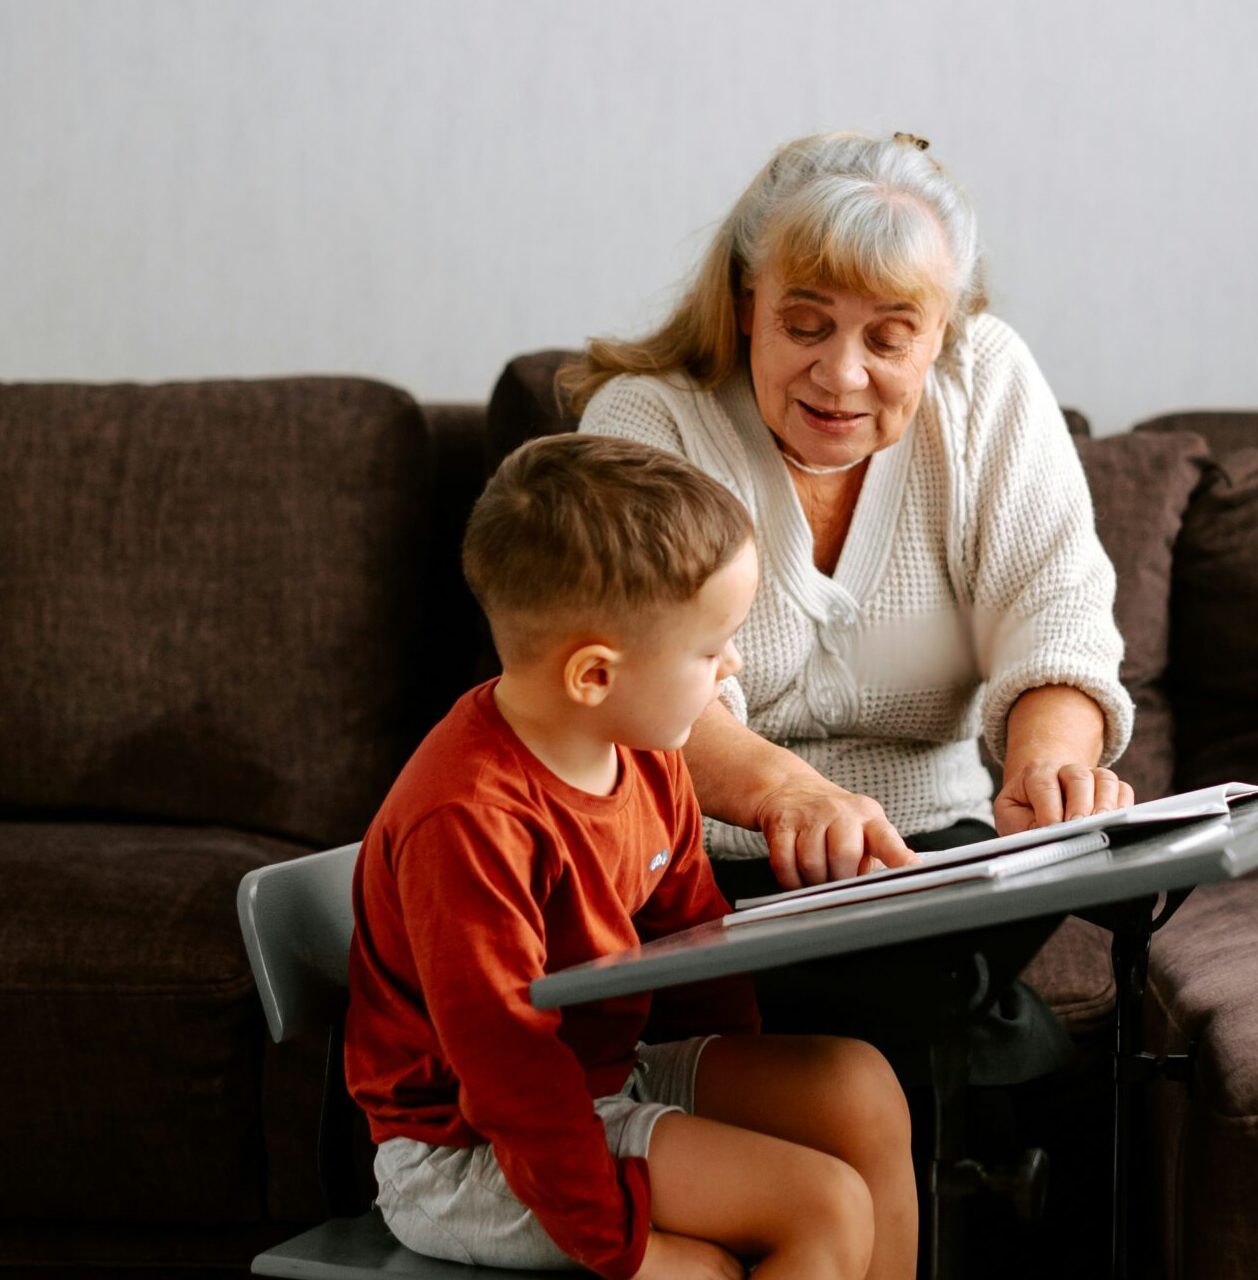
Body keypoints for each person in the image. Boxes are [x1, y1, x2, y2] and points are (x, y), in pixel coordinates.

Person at [344, 434, 918, 1280]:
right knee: (818, 1203)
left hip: (602, 1078)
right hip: (471, 1152)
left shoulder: (643, 746)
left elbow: (692, 936)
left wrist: (733, 1106)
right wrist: (627, 1243)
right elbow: (507, 1073)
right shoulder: (466, 818)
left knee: (857, 1085)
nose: (735, 665)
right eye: (708, 649)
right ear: (593, 675)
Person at [562, 130, 1136, 904]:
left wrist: (1049, 772)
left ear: (944, 330)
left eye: (892, 337)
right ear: (743, 303)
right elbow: (641, 680)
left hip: (941, 854)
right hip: (706, 863)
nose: (841, 374)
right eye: (804, 325)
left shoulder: (987, 379)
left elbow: (1056, 608)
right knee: (993, 1025)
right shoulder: (646, 420)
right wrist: (790, 797)